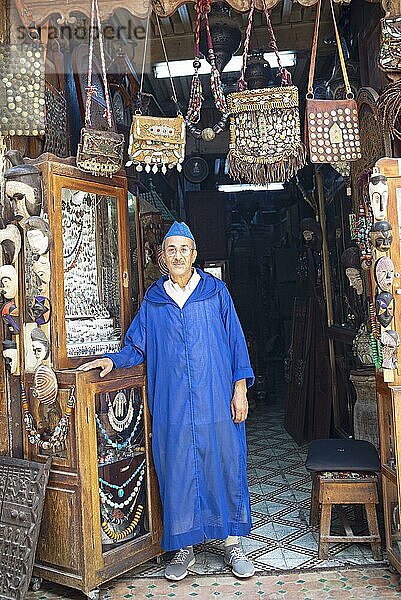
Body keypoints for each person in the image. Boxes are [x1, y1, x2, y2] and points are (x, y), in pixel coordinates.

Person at [79, 221, 255, 581]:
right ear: (162, 257)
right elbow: (136, 345)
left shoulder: (215, 292)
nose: (178, 256)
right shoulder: (154, 300)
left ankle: (232, 542)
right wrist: (113, 360)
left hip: (215, 399)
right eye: (171, 250)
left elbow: (237, 343)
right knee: (176, 468)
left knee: (224, 461)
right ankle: (184, 547)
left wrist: (240, 390)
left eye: (184, 249)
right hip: (173, 404)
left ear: (194, 254)